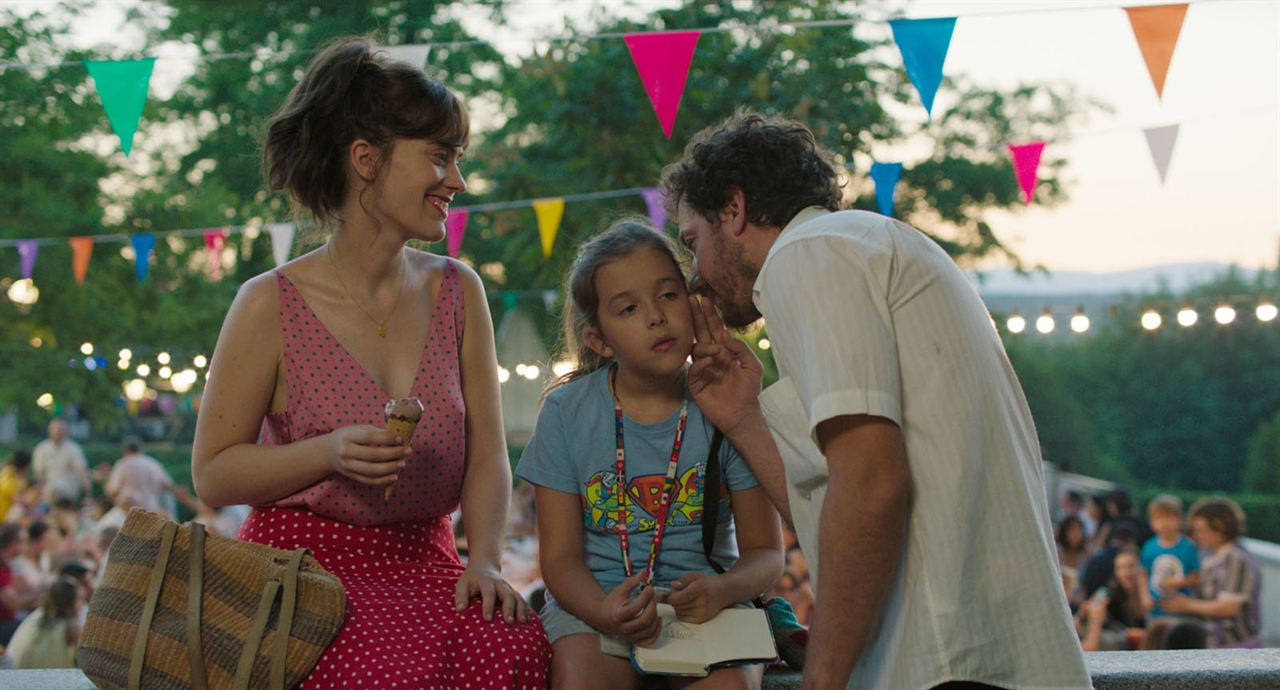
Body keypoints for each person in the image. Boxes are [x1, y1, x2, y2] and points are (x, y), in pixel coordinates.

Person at [664, 110, 1090, 689]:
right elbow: (840, 509)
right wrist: (743, 416)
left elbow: (872, 485)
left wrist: (824, 679)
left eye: (693, 243)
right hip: (971, 656)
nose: (694, 277)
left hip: (948, 661)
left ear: (734, 210)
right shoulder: (854, 245)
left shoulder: (808, 256)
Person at [190, 37, 549, 687]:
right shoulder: (267, 303)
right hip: (301, 580)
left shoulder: (459, 290)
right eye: (440, 158)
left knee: (514, 649)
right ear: (366, 161)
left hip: (429, 565)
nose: (457, 182)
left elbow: (489, 455)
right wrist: (326, 453)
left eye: (458, 159)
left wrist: (488, 560)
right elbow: (213, 474)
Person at [517, 220, 783, 690]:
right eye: (628, 308)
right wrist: (604, 610)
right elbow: (559, 561)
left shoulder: (727, 404)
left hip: (709, 612)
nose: (656, 317)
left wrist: (722, 590)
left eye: (668, 295)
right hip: (596, 608)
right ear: (599, 339)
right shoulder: (565, 413)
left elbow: (766, 554)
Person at [1161, 497, 1262, 648]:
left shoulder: (1236, 559)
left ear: (1220, 528)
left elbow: (1228, 607)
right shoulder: (1207, 554)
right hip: (1213, 643)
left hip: (1236, 646)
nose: (1197, 535)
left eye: (1201, 530)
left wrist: (1185, 605)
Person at [1076, 547, 1152, 651]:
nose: (1126, 573)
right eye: (1120, 568)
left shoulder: (1151, 591)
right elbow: (1082, 618)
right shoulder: (1106, 594)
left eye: (1131, 566)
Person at [2, 577, 82, 669]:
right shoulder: (71, 628)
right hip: (48, 678)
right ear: (71, 602)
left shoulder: (36, 616)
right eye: (79, 599)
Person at [1140, 494, 1200, 617]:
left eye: (1169, 518)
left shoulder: (1188, 546)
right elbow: (1143, 573)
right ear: (1152, 522)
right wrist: (1144, 596)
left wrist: (1177, 582)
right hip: (1155, 608)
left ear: (1180, 519)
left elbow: (1196, 576)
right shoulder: (1149, 546)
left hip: (1180, 609)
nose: (1164, 524)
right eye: (1159, 519)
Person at [104, 437, 174, 516]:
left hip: (127, 512)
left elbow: (111, 490)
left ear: (125, 450)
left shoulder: (122, 464)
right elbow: (168, 486)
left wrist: (105, 480)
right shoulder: (152, 463)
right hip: (151, 510)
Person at [32, 419, 90, 504]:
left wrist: (87, 491)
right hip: (48, 486)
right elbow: (38, 472)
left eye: (60, 430)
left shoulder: (73, 449)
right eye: (55, 430)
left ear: (66, 431)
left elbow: (81, 470)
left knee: (53, 490)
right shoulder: (41, 448)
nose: (57, 432)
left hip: (68, 485)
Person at [0, 523, 40, 645]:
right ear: (13, 544)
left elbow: (23, 592)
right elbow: (14, 603)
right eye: (23, 541)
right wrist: (42, 593)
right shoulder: (2, 569)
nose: (27, 545)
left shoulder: (9, 566)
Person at [0, 450, 32, 521]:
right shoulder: (8, 475)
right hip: (3, 516)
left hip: (6, 513)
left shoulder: (12, 473)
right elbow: (20, 500)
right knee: (19, 510)